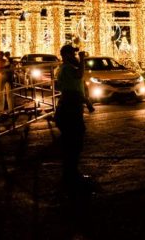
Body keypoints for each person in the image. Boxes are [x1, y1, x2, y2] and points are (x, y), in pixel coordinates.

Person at [55, 44, 96, 191]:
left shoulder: (68, 68)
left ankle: (71, 174)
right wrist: (83, 58)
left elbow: (77, 89)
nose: (75, 56)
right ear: (66, 55)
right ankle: (71, 176)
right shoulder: (66, 69)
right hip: (69, 111)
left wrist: (87, 103)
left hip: (70, 109)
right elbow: (78, 78)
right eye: (72, 54)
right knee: (74, 143)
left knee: (73, 143)